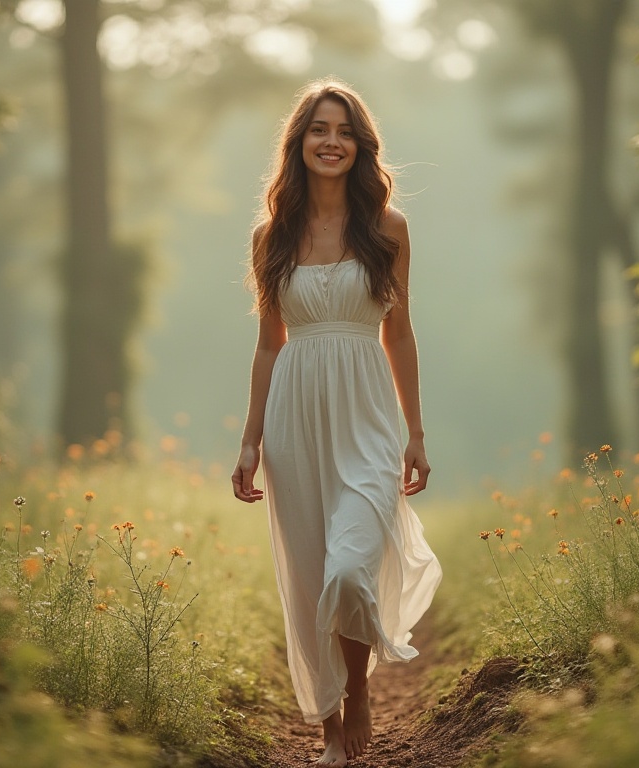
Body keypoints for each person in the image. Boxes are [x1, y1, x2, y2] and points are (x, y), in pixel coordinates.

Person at [231, 78, 442, 767]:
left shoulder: (388, 228)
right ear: (299, 144)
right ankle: (325, 729)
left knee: (350, 569)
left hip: (368, 415)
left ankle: (357, 688)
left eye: (344, 131)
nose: (332, 141)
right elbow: (268, 345)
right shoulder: (272, 235)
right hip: (295, 418)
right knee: (309, 572)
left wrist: (415, 432)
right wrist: (250, 440)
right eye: (319, 129)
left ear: (360, 145)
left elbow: (401, 334)